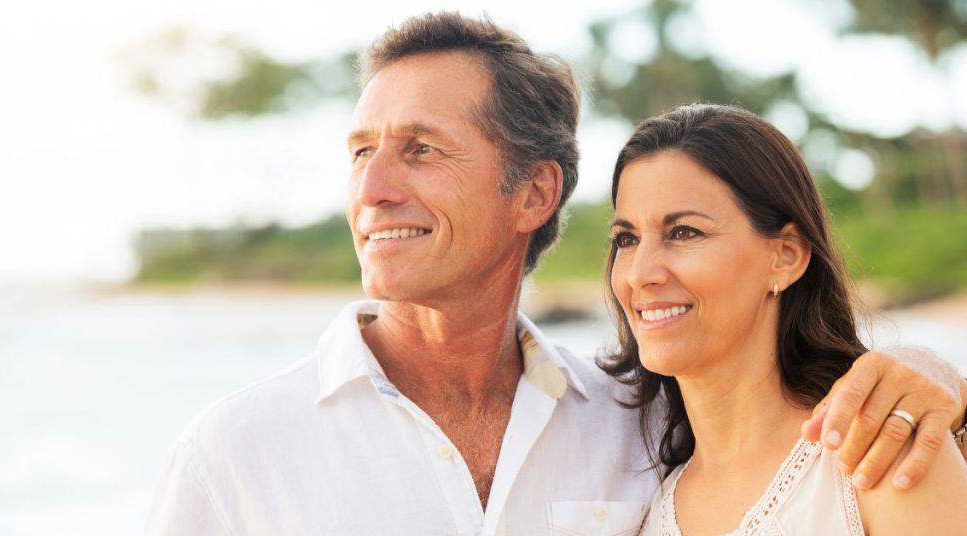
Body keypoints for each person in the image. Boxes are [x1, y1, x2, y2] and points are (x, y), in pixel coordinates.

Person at [145, 13, 967, 536]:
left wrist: (934, 379)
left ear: (534, 191)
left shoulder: (632, 422)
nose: (373, 188)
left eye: (422, 148)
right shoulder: (236, 455)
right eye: (361, 151)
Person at [601, 103, 967, 535]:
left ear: (786, 256)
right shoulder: (636, 501)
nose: (641, 274)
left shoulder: (879, 458)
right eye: (627, 238)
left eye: (684, 233)